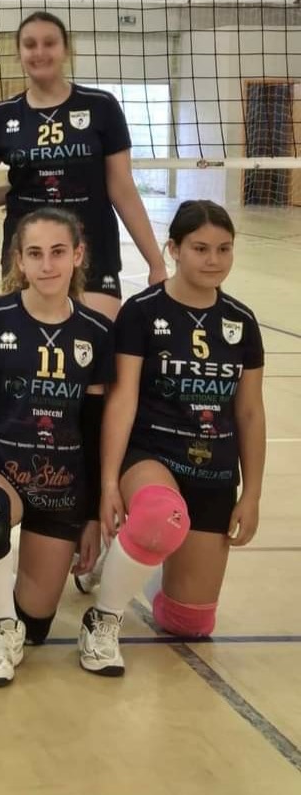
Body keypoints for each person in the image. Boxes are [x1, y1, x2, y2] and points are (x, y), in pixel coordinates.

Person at [78, 200, 265, 676]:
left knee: (190, 624)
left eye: (224, 249)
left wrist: (252, 495)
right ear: (174, 250)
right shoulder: (142, 312)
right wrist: (107, 484)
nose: (213, 260)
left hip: (214, 470)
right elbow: (122, 400)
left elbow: (249, 412)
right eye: (200, 248)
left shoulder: (242, 322)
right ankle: (103, 619)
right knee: (160, 515)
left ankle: (132, 559)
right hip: (151, 454)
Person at [0, 208, 114, 686]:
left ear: (78, 255)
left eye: (58, 252)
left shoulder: (97, 332)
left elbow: (94, 430)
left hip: (61, 486)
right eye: (35, 253)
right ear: (19, 260)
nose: (47, 264)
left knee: (36, 628)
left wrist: (91, 517)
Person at [0, 10, 167, 320]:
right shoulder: (3, 115)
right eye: (30, 44)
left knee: (96, 344)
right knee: (27, 346)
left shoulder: (101, 106)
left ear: (66, 49)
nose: (39, 52)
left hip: (92, 250)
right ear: (19, 53)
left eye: (49, 43)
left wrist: (156, 263)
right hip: (29, 254)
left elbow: (122, 188)